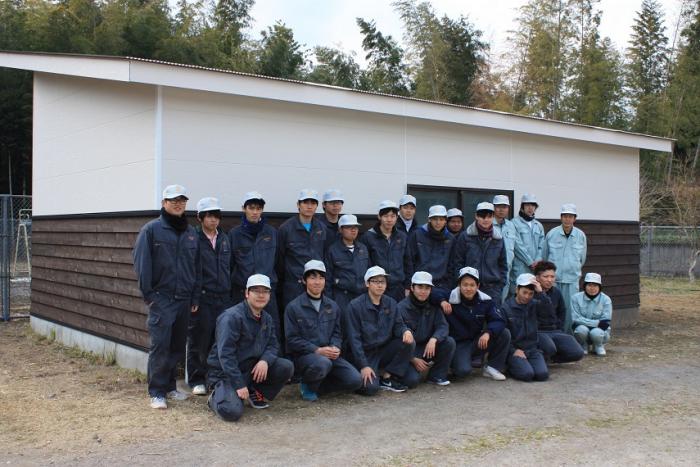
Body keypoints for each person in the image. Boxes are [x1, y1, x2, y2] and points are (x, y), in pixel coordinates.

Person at [133, 184, 201, 409]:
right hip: (162, 299)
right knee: (160, 346)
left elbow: (197, 268)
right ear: (164, 203)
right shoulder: (151, 230)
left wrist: (194, 297)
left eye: (182, 200)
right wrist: (150, 297)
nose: (178, 204)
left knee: (176, 346)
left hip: (184, 300)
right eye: (173, 200)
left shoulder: (191, 233)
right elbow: (142, 265)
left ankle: (171, 387)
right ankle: (157, 392)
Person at [206, 274, 294, 422]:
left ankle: (254, 391)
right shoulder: (231, 317)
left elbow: (273, 345)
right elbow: (226, 355)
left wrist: (265, 361)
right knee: (231, 412)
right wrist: (239, 384)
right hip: (226, 374)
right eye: (256, 291)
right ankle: (215, 398)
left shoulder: (267, 318)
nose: (261, 295)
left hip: (250, 370)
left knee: (285, 366)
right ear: (247, 293)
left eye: (265, 291)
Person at [284, 260, 362, 401]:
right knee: (323, 363)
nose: (317, 282)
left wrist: (335, 347)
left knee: (355, 380)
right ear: (304, 280)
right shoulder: (293, 307)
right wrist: (316, 350)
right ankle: (308, 384)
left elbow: (337, 333)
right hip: (305, 357)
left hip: (329, 355)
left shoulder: (332, 306)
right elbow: (291, 340)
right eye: (313, 277)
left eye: (321, 278)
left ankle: (319, 387)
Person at [187, 197, 233, 396]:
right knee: (200, 338)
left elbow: (230, 266)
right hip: (203, 296)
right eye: (209, 216)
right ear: (200, 218)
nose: (213, 220)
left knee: (221, 338)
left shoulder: (224, 238)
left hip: (223, 296)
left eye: (216, 216)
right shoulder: (193, 238)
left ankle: (215, 377)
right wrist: (194, 298)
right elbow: (191, 270)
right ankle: (196, 379)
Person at [344, 266, 415, 395]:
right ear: (367, 284)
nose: (380, 285)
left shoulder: (391, 303)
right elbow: (354, 340)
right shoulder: (355, 306)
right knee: (370, 389)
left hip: (383, 350)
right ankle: (369, 374)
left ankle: (387, 376)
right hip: (364, 354)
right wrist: (363, 365)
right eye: (375, 281)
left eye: (382, 281)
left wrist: (405, 330)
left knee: (409, 342)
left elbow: (398, 325)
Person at [440, 267, 510, 381]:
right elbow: (432, 293)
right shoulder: (449, 297)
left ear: (478, 286)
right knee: (462, 371)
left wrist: (488, 332)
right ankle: (455, 363)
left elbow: (498, 320)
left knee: (504, 333)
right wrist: (442, 301)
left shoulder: (486, 301)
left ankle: (492, 368)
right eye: (465, 284)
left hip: (477, 340)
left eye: (472, 285)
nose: (468, 288)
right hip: (459, 344)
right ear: (459, 285)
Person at [229, 191, 280, 341]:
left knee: (272, 329)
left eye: (258, 208)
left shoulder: (272, 232)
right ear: (243, 209)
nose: (255, 212)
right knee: (242, 331)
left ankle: (273, 356)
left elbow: (278, 261)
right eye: (251, 208)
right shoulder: (234, 234)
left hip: (267, 291)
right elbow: (230, 264)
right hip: (242, 291)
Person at [398, 272, 456, 387]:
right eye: (420, 287)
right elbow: (396, 340)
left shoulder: (433, 305)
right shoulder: (401, 308)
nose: (423, 291)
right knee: (411, 381)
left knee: (449, 342)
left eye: (427, 288)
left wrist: (434, 339)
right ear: (412, 288)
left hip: (428, 347)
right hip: (409, 351)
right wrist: (412, 358)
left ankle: (436, 376)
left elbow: (443, 326)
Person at [277, 189, 326, 309]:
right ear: (298, 205)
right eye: (305, 202)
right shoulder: (286, 228)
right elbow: (279, 259)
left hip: (316, 284)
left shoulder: (321, 228)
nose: (309, 206)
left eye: (313, 203)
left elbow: (324, 255)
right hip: (294, 285)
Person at [451, 202, 508, 305]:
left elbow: (503, 264)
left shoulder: (498, 238)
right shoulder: (465, 237)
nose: (485, 220)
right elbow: (457, 262)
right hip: (469, 288)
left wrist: (500, 285)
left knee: (493, 314)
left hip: (493, 289)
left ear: (493, 217)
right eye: (482, 216)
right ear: (476, 216)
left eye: (489, 217)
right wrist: (461, 284)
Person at [543, 203, 587, 329]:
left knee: (570, 309)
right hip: (553, 280)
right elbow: (545, 256)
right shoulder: (552, 234)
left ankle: (567, 335)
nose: (567, 219)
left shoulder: (580, 236)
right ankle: (552, 332)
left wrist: (573, 268)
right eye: (565, 216)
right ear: (561, 217)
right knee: (551, 306)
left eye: (570, 216)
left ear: (574, 219)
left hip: (572, 280)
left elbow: (582, 258)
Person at [533, 262, 584, 363]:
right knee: (549, 348)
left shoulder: (556, 292)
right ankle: (541, 357)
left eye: (552, 276)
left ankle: (551, 359)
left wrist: (559, 328)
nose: (549, 280)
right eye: (546, 276)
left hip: (555, 331)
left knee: (578, 353)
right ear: (537, 278)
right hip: (538, 332)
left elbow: (562, 312)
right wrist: (541, 293)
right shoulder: (530, 292)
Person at [502, 273, 549, 382]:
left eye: (531, 293)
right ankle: (508, 365)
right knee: (527, 374)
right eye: (524, 292)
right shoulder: (506, 308)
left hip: (532, 349)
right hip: (515, 350)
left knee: (542, 375)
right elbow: (502, 334)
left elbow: (549, 314)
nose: (527, 296)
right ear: (517, 290)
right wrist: (513, 350)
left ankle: (528, 364)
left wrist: (541, 293)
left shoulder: (535, 304)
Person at [361, 200, 410, 303]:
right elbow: (365, 264)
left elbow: (408, 262)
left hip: (398, 287)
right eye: (386, 216)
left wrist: (407, 286)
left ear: (397, 217)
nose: (389, 219)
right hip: (377, 287)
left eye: (392, 216)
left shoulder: (402, 236)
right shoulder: (368, 237)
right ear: (379, 217)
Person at [325, 214, 370, 311]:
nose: (353, 230)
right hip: (341, 297)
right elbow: (327, 278)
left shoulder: (363, 248)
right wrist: (329, 301)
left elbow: (369, 272)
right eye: (349, 227)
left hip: (362, 296)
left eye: (355, 227)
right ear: (340, 230)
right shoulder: (333, 250)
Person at [406, 205, 455, 292]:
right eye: (435, 219)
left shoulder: (450, 238)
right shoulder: (417, 235)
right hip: (420, 283)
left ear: (445, 221)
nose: (438, 222)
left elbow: (452, 264)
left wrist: (448, 285)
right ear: (429, 219)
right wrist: (410, 283)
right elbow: (409, 260)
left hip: (442, 285)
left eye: (441, 219)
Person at [571, 273, 613, 356]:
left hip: (599, 331)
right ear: (585, 286)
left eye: (595, 285)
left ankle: (598, 345)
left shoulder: (606, 299)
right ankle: (583, 345)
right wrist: (597, 323)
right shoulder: (575, 298)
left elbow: (605, 321)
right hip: (582, 329)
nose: (592, 288)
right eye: (589, 285)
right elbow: (575, 318)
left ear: (599, 287)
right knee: (581, 330)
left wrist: (586, 322)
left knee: (596, 332)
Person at [511, 194, 545, 293]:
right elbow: (517, 246)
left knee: (533, 292)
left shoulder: (538, 225)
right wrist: (530, 262)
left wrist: (538, 260)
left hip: (535, 268)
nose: (530, 208)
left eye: (533, 205)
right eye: (527, 205)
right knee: (519, 292)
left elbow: (542, 245)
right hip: (520, 266)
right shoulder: (514, 223)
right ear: (522, 206)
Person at [492, 194, 519, 303]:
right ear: (494, 208)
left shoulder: (511, 226)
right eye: (498, 206)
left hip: (507, 269)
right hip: (492, 269)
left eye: (504, 207)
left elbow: (515, 248)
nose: (501, 210)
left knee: (503, 299)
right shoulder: (488, 224)